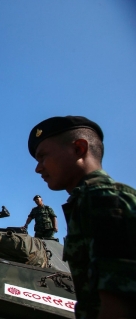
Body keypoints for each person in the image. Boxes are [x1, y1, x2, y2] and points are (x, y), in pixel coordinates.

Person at [28, 115, 136, 319]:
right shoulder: (86, 201)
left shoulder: (103, 200)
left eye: (43, 157)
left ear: (79, 149)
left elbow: (119, 306)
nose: (38, 168)